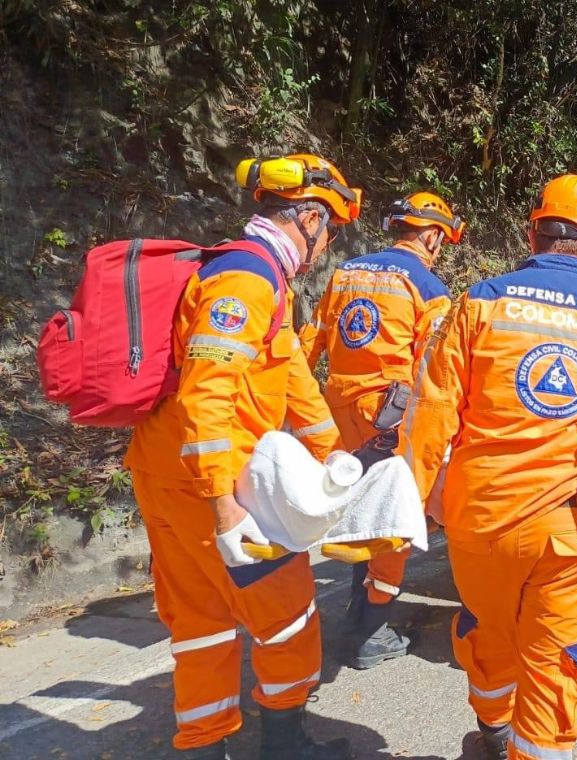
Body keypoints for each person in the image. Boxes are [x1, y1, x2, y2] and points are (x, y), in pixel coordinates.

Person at [395, 174, 577, 760]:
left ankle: (492, 732)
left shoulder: (483, 301)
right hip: (576, 527)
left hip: (482, 516)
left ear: (533, 233)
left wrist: (412, 501)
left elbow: (431, 408)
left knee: (488, 626)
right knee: (559, 652)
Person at [124, 154, 361, 760]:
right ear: (308, 217)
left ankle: (204, 745)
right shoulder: (248, 281)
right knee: (287, 612)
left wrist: (337, 457)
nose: (327, 244)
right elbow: (209, 392)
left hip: (167, 472)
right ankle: (284, 743)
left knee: (201, 621)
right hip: (215, 484)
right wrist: (224, 504)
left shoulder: (254, 274)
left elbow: (293, 379)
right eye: (329, 228)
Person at [299, 191, 461, 670]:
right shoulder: (429, 288)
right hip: (389, 417)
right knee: (391, 521)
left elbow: (310, 341)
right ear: (432, 234)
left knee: (355, 512)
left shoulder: (345, 272)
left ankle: (355, 614)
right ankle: (369, 632)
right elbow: (434, 370)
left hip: (335, 411)